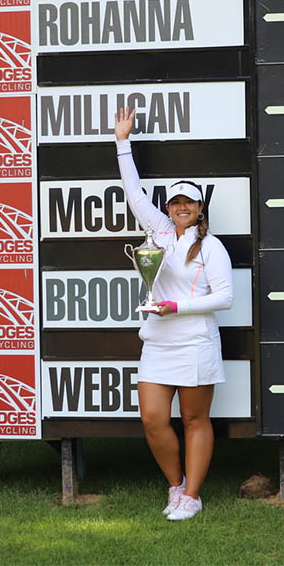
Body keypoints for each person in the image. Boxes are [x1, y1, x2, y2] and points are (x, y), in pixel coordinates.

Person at [113, 107, 233, 522]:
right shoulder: (159, 231)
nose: (182, 207)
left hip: (196, 340)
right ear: (169, 207)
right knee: (153, 420)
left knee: (196, 419)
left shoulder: (213, 247)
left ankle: (193, 496)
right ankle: (175, 485)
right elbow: (132, 192)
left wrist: (176, 306)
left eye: (189, 202)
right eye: (176, 202)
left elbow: (225, 299)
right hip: (159, 341)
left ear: (201, 208)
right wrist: (122, 142)